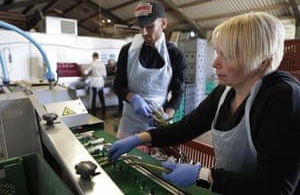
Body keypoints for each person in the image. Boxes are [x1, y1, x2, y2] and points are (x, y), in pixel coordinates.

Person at [108, 12, 300, 194]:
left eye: (227, 55)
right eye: (217, 52)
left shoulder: (283, 98)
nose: (215, 63)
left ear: (261, 62)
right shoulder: (226, 91)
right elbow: (186, 127)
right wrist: (140, 138)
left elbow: (277, 186)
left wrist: (203, 176)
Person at [113, 1, 187, 138]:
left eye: (150, 26)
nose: (144, 32)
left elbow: (177, 93)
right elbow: (118, 85)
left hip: (156, 124)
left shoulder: (175, 56)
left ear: (163, 23)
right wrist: (133, 97)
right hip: (130, 123)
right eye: (141, 27)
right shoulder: (128, 51)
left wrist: (166, 116)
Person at [86, 52, 107, 118]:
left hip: (94, 82)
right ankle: (104, 113)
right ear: (98, 56)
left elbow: (85, 72)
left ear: (94, 57)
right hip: (101, 82)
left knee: (94, 98)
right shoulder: (102, 64)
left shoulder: (92, 64)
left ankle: (94, 114)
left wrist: (84, 71)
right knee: (102, 98)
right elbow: (105, 75)